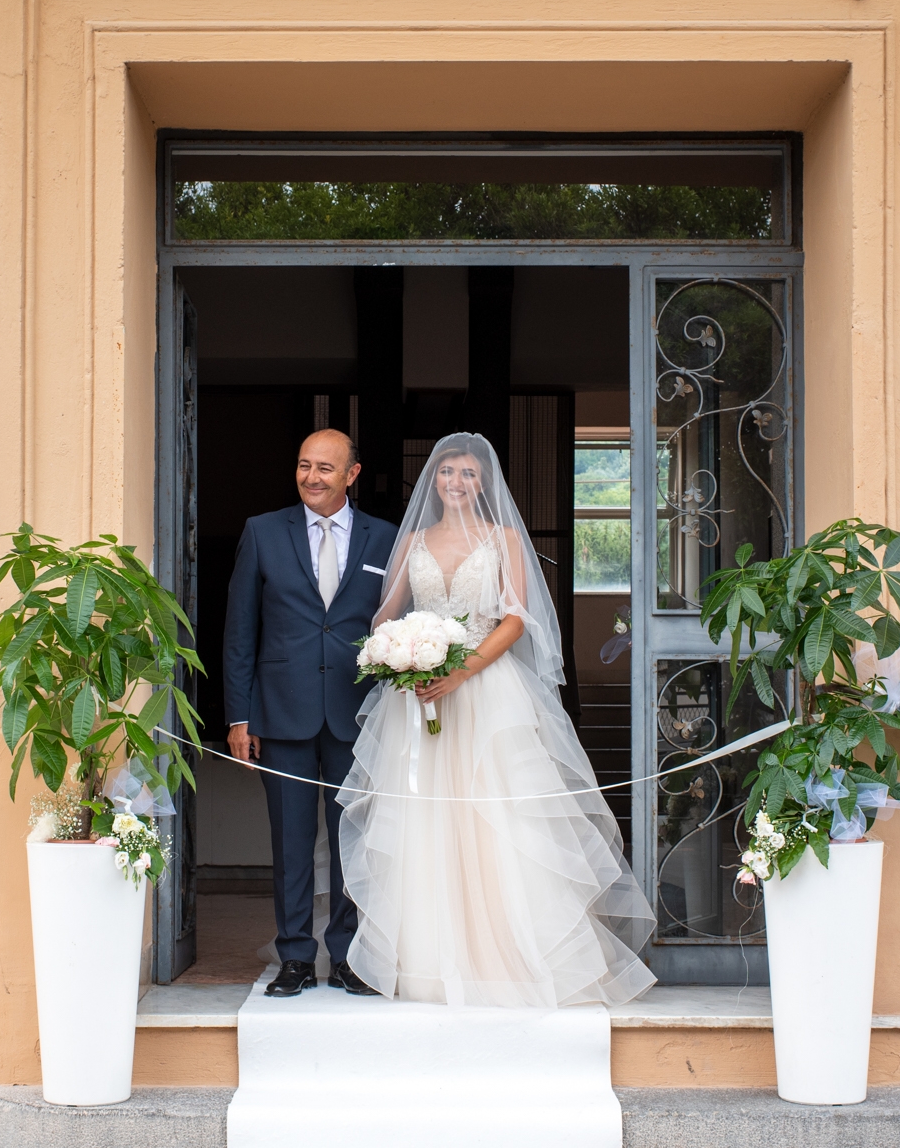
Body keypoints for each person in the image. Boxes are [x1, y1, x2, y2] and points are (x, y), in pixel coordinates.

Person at [338, 433, 656, 1007]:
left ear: (484, 482)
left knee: (500, 820)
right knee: (425, 822)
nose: (456, 483)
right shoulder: (413, 539)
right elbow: (390, 609)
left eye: (467, 474)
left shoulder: (504, 537)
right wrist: (390, 648)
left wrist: (463, 672)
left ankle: (508, 956)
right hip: (423, 694)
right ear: (432, 481)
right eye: (446, 473)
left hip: (488, 692)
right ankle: (430, 960)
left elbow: (514, 620)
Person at [223, 429, 400, 998]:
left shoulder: (387, 539)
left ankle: (349, 957)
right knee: (291, 844)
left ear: (352, 474)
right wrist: (239, 716)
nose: (311, 477)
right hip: (282, 713)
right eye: (303, 466)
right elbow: (239, 633)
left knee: (353, 842)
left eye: (326, 468)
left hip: (358, 717)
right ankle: (295, 958)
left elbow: (396, 624)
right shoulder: (262, 532)